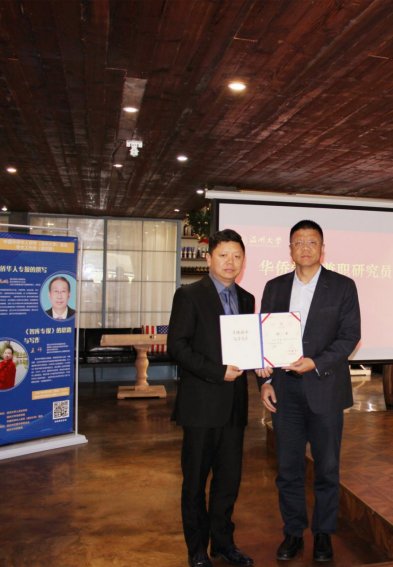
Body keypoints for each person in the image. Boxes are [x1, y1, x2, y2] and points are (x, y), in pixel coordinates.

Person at [256, 220, 361, 563]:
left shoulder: (343, 286)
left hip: (325, 388)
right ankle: (292, 532)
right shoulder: (274, 287)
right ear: (290, 249)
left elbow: (350, 336)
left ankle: (323, 533)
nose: (305, 247)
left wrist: (316, 362)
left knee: (327, 468)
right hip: (284, 391)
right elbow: (263, 339)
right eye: (298, 242)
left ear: (322, 248)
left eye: (311, 242)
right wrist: (264, 382)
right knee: (288, 468)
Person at [168, 229, 256, 567]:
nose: (230, 262)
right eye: (223, 255)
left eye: (237, 256)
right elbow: (178, 346)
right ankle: (196, 550)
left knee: (228, 482)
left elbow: (248, 346)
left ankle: (223, 543)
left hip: (234, 406)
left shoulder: (246, 298)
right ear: (209, 259)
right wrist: (217, 372)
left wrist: (261, 361)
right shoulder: (189, 295)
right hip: (201, 405)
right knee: (194, 482)